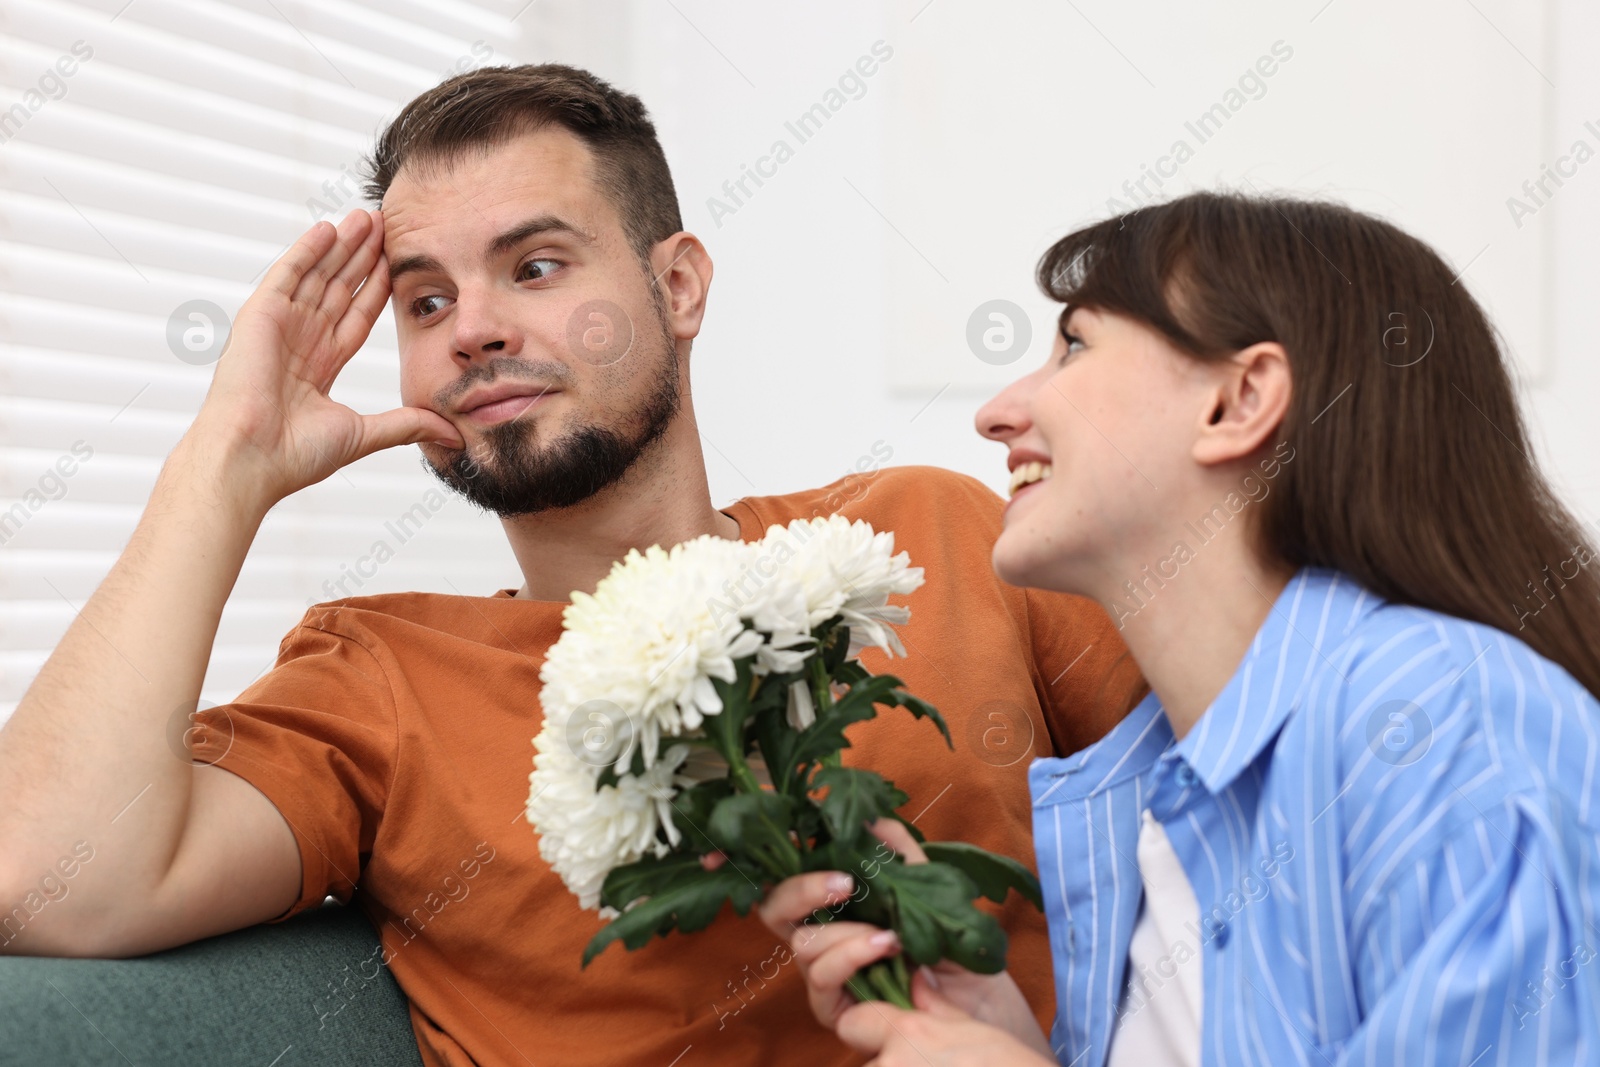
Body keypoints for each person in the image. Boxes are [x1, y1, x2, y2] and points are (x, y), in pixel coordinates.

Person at [0, 65, 1143, 1066]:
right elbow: (44, 876)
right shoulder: (378, 678)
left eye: (535, 267)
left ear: (680, 286)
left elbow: (1239, 821)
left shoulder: (930, 538)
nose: (474, 329)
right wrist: (226, 463)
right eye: (426, 300)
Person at [758, 191, 1600, 1066]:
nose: (998, 412)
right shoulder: (1141, 802)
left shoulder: (1444, 722)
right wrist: (991, 1036)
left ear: (1238, 401)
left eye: (1076, 344)